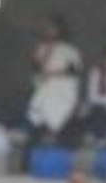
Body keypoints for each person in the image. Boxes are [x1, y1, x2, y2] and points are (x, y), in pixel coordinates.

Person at [27, 15, 82, 147]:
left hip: (64, 87)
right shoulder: (40, 48)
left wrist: (54, 73)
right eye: (47, 29)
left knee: (65, 113)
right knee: (40, 109)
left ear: (60, 30)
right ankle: (44, 137)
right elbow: (36, 69)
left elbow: (74, 70)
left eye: (53, 29)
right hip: (45, 86)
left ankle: (62, 141)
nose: (50, 31)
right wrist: (45, 53)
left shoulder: (69, 49)